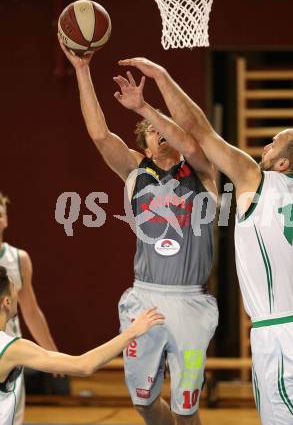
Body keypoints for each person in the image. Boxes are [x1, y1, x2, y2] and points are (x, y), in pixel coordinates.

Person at [112, 56, 293, 425]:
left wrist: (162, 77)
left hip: (281, 332)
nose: (265, 146)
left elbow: (199, 128)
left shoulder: (255, 180)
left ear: (282, 164)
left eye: (274, 143)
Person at [58, 37, 219, 425]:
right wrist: (82, 70)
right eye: (152, 130)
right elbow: (100, 136)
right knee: (144, 402)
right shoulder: (136, 173)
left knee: (186, 407)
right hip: (145, 299)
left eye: (167, 129)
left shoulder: (202, 171)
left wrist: (146, 106)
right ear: (143, 147)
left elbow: (192, 142)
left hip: (190, 302)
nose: (162, 133)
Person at [0, 265, 164, 425]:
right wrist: (132, 332)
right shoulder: (13, 348)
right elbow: (84, 365)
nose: (18, 295)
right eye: (14, 289)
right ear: (6, 302)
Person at [0, 193, 59, 425]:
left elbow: (31, 310)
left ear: (6, 220)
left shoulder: (18, 258)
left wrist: (50, 351)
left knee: (11, 418)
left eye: (1, 213)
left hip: (11, 349)